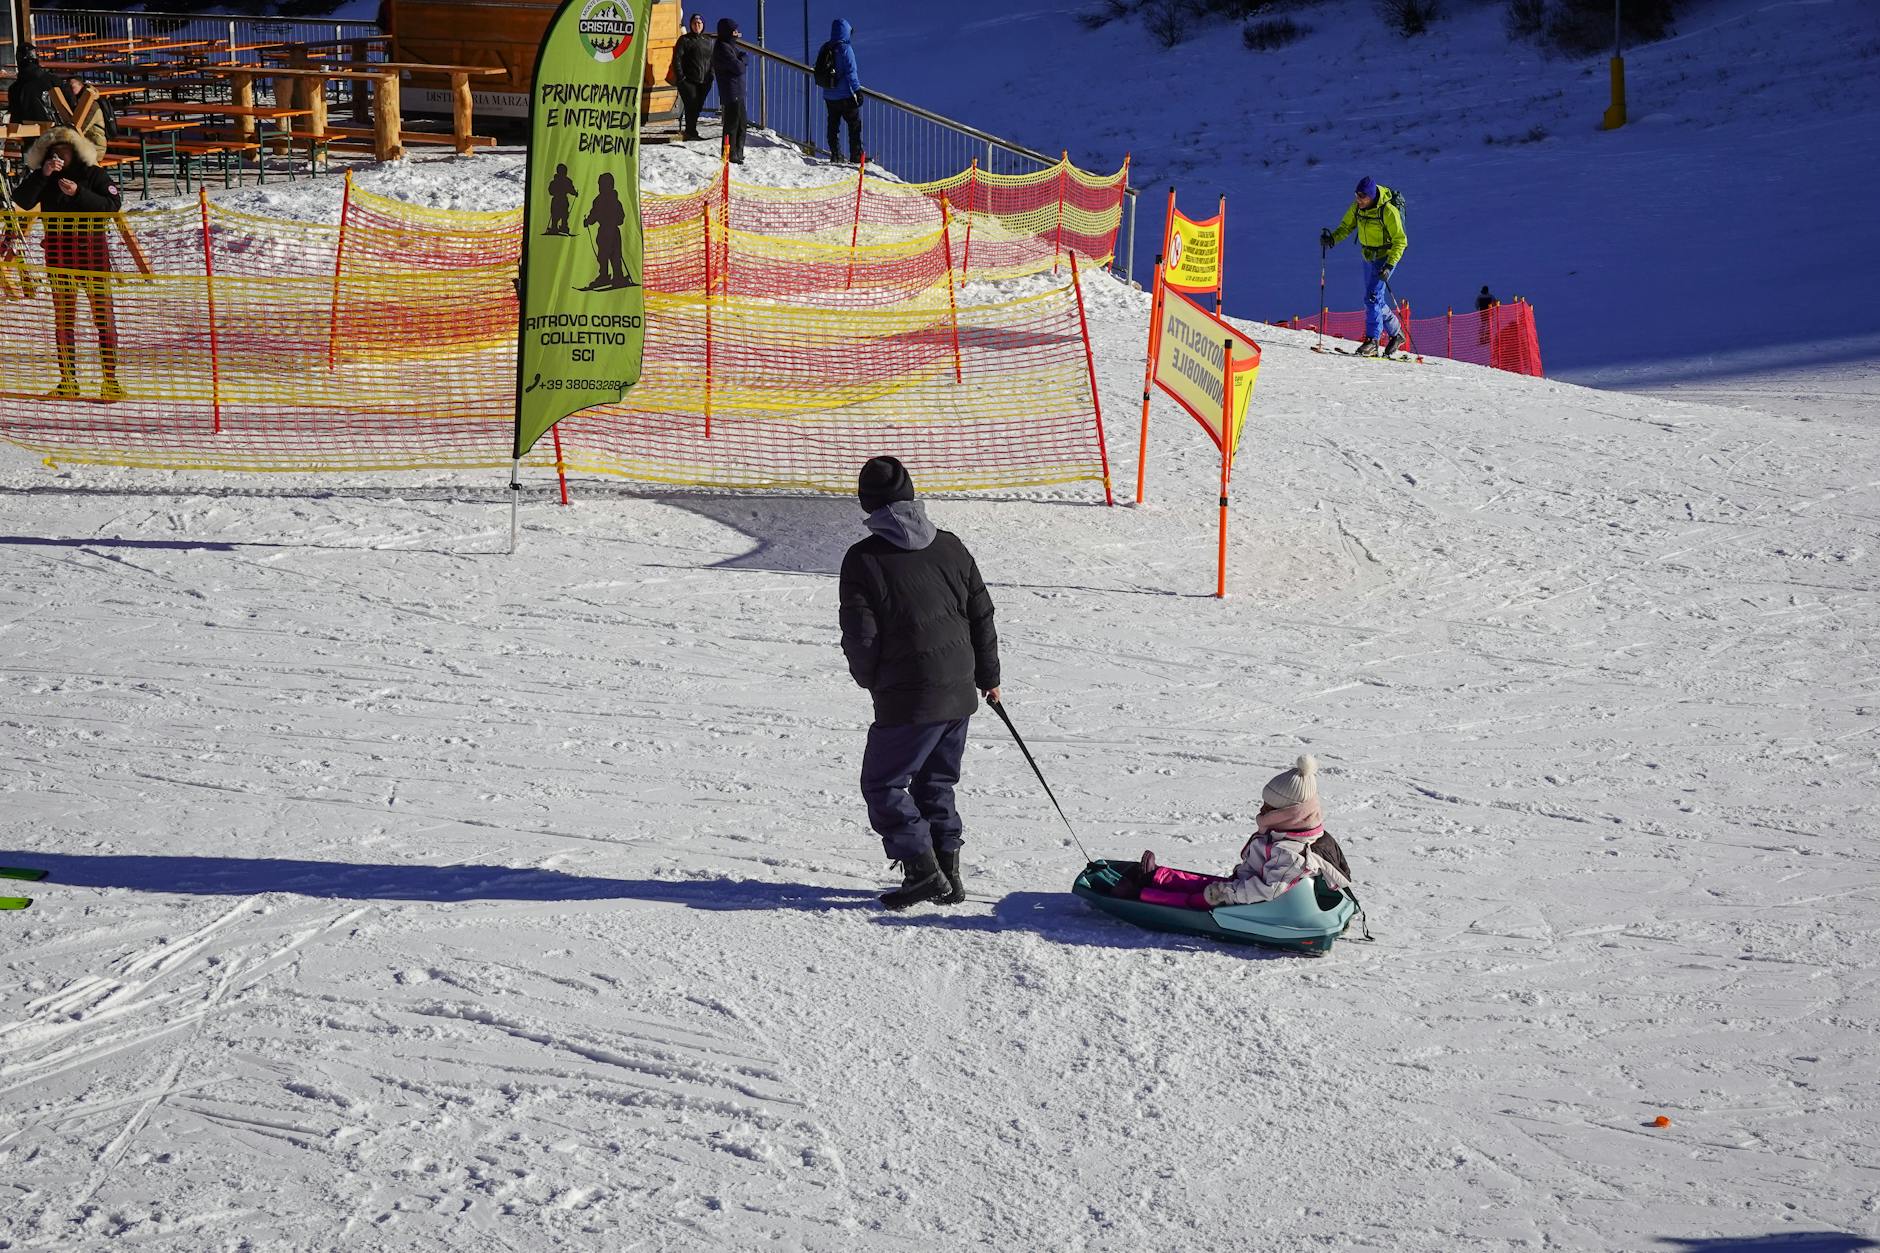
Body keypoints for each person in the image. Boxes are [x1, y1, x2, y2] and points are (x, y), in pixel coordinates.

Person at [839, 456, 1000, 910]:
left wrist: (872, 680)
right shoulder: (950, 547)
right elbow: (981, 616)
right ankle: (948, 873)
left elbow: (860, 635)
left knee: (884, 784)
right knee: (936, 783)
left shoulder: (863, 559)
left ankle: (924, 871)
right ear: (911, 496)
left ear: (867, 504)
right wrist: (989, 678)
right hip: (959, 692)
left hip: (908, 697)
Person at [1112, 755, 1352, 909]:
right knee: (1207, 884)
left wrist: (1226, 893)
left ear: (1290, 813)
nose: (1262, 809)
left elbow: (1269, 890)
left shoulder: (1293, 854)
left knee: (1195, 901)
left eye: (1270, 807)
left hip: (1254, 902)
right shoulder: (1290, 832)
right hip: (1244, 888)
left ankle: (1140, 896)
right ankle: (1158, 877)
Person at [13, 126, 125, 401]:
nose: (58, 156)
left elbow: (112, 205)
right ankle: (68, 380)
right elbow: (22, 200)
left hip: (92, 255)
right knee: (64, 320)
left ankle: (110, 379)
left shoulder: (93, 173)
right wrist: (43, 175)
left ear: (75, 151)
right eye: (53, 151)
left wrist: (79, 194)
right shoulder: (45, 177)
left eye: (62, 150)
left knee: (103, 317)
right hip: (59, 255)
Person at [1320, 175, 1407, 357]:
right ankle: (1397, 333)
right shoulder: (1357, 208)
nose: (1358, 200)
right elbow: (1346, 227)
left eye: (1362, 196)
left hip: (1385, 257)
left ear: (1371, 196)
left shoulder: (1388, 211)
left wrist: (1389, 266)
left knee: (1372, 298)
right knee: (1375, 299)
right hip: (1368, 256)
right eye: (1356, 195)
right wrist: (1332, 239)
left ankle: (1372, 341)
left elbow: (1400, 241)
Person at [817, 18, 864, 164]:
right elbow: (851, 72)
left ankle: (835, 154)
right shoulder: (845, 49)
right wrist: (857, 90)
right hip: (844, 95)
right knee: (854, 124)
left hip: (829, 94)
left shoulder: (826, 47)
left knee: (833, 125)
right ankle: (856, 154)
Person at [670, 13, 715, 143]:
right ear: (690, 25)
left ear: (703, 25)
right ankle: (691, 132)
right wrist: (681, 77)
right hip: (688, 80)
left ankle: (691, 131)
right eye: (694, 23)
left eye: (699, 23)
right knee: (691, 105)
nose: (697, 26)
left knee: (698, 106)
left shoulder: (708, 40)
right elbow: (677, 59)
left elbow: (712, 59)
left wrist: (711, 75)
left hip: (705, 80)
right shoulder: (684, 40)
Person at [582, 172, 629, 289]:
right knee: (610, 255)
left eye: (601, 185)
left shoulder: (600, 201)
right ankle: (612, 276)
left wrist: (588, 221)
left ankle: (611, 276)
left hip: (606, 231)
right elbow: (620, 218)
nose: (600, 187)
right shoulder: (612, 201)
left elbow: (594, 216)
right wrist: (589, 221)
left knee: (609, 255)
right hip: (611, 231)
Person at [711, 18, 747, 165]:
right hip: (731, 90)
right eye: (734, 31)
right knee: (732, 124)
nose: (737, 34)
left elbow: (743, 57)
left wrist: (742, 59)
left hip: (738, 90)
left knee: (741, 123)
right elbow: (738, 67)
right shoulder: (722, 47)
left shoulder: (730, 45)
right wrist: (742, 61)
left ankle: (738, 151)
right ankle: (729, 152)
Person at [53, 75, 111, 152]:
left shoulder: (91, 104)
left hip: (95, 148)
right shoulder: (76, 102)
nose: (69, 90)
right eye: (67, 87)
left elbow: (80, 128)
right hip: (82, 144)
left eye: (72, 87)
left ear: (81, 85)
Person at [6, 45, 57, 124]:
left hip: (25, 132)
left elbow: (15, 118)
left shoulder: (14, 89)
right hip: (55, 129)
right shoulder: (52, 80)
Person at [546, 162, 577, 235]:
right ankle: (563, 227)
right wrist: (575, 193)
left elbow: (551, 191)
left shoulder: (554, 181)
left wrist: (574, 193)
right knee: (563, 214)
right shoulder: (567, 181)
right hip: (563, 199)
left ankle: (555, 227)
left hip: (556, 200)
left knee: (556, 214)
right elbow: (571, 190)